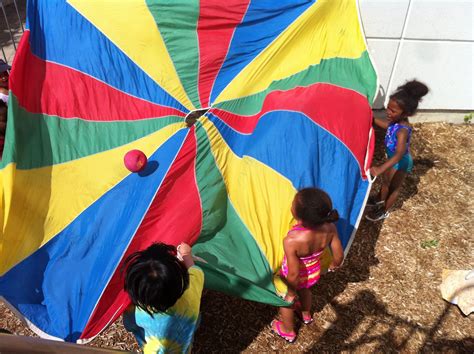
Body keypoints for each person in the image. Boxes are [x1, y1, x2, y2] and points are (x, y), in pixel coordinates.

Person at [272, 188, 344, 343]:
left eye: (293, 204)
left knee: (286, 303)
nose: (291, 205)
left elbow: (293, 273)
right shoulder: (330, 228)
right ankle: (305, 315)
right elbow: (339, 254)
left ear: (299, 215)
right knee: (305, 291)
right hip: (313, 273)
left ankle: (288, 330)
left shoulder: (292, 240)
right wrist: (333, 264)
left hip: (292, 277)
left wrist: (290, 292)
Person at [122, 242, 204, 354]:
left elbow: (129, 326)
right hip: (182, 340)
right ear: (181, 281)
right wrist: (186, 255)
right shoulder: (190, 295)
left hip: (152, 348)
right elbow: (196, 272)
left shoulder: (134, 312)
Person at [366, 80, 429, 221]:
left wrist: (380, 168)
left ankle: (384, 210)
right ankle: (378, 200)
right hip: (392, 159)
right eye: (388, 108)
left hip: (400, 162)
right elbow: (388, 127)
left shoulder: (402, 130)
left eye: (392, 111)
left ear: (406, 113)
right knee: (386, 183)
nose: (388, 112)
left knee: (393, 187)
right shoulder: (396, 122)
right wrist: (372, 119)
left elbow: (400, 153)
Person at [0, 59, 10, 160]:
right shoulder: (1, 96)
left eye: (5, 72)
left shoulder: (10, 89)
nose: (4, 77)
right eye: (0, 75)